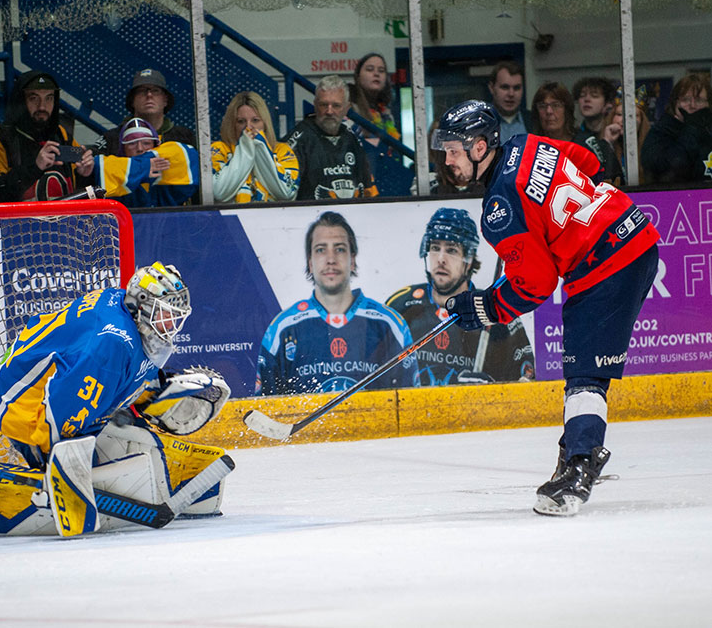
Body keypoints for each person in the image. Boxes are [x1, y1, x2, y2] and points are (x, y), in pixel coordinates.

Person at [432, 100, 660, 516]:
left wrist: (484, 307)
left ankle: (580, 467)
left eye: (453, 149)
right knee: (584, 367)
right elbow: (586, 160)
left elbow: (535, 286)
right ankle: (572, 452)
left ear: (480, 147)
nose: (447, 160)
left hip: (608, 265)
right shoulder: (524, 144)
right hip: (634, 234)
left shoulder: (499, 208)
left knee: (584, 375)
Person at [0, 263, 234, 538]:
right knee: (106, 473)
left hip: (49, 386)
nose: (171, 325)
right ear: (142, 306)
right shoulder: (112, 344)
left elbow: (110, 381)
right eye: (166, 315)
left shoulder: (127, 316)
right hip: (27, 407)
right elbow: (62, 409)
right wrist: (64, 470)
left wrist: (154, 392)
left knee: (134, 448)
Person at [255, 211, 416, 396]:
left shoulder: (389, 325)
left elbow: (409, 406)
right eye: (321, 250)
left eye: (339, 249)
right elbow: (266, 412)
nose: (330, 259)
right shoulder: (284, 329)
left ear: (353, 260)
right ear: (310, 262)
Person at [386, 208, 534, 386]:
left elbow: (526, 383)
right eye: (435, 248)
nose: (441, 258)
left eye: (452, 250)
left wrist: (491, 390)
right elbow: (377, 374)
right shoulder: (401, 306)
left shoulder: (496, 312)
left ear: (469, 259)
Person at [0, 70, 96, 202]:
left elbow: (80, 195)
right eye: (34, 98)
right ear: (21, 101)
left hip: (63, 221)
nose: (42, 106)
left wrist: (84, 175)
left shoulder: (62, 134)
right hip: (19, 222)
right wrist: (35, 168)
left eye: (49, 98)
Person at [286, 75, 378, 201]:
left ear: (346, 108)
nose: (329, 111)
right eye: (324, 105)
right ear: (315, 105)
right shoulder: (299, 139)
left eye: (336, 105)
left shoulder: (352, 139)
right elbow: (284, 194)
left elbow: (369, 191)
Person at [210, 91, 298, 203]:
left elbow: (287, 193)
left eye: (255, 120)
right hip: (231, 220)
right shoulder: (218, 149)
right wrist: (246, 149)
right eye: (241, 121)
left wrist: (261, 148)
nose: (248, 127)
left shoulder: (283, 151)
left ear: (265, 123)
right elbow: (219, 192)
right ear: (232, 124)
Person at [93, 117, 199, 207]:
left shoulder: (168, 169)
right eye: (132, 143)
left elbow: (190, 155)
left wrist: (141, 165)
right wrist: (141, 167)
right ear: (123, 149)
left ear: (156, 146)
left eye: (146, 143)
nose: (140, 148)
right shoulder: (113, 171)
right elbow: (100, 164)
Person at [347, 53, 412, 197]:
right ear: (358, 76)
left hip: (387, 173)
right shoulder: (349, 105)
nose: (376, 74)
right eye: (370, 69)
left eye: (381, 71)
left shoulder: (386, 111)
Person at [531, 81, 619, 184]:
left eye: (556, 105)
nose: (549, 111)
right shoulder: (531, 148)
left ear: (567, 110)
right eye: (542, 106)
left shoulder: (588, 144)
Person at [95, 69, 196, 154]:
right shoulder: (112, 138)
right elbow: (86, 167)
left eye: (155, 90)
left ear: (165, 100)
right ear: (132, 101)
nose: (149, 95)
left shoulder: (184, 136)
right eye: (142, 91)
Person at [641, 73, 712, 185]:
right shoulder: (660, 132)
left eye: (699, 100)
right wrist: (691, 129)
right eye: (686, 100)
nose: (692, 105)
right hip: (672, 198)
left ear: (708, 104)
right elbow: (668, 169)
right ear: (675, 103)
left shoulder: (709, 132)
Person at [599, 87, 650, 187]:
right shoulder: (599, 146)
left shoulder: (650, 148)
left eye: (633, 115)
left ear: (642, 122)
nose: (625, 120)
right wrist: (607, 143)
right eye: (619, 114)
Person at [487, 61, 527, 142]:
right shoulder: (480, 123)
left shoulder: (534, 121)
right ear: (492, 88)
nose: (511, 94)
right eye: (505, 87)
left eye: (516, 88)